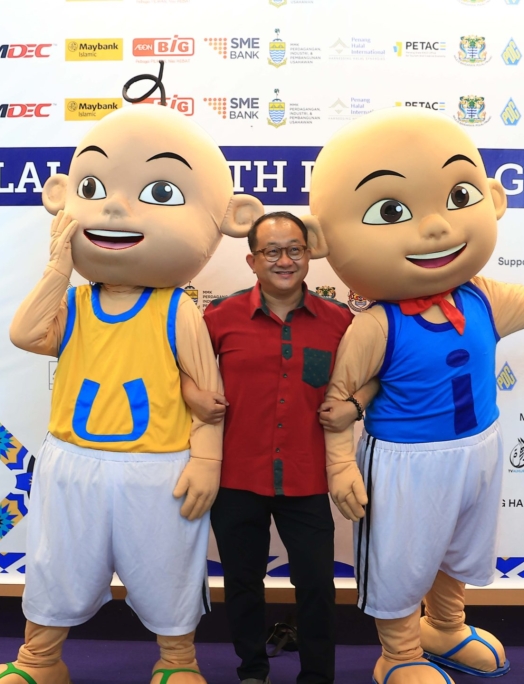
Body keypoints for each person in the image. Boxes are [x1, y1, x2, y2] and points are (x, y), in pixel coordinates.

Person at [304, 107, 524, 684]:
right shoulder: (374, 326)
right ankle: (399, 653)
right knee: (400, 559)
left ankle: (445, 626)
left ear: (492, 199)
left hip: (479, 448)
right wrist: (341, 466)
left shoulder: (483, 298)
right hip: (405, 461)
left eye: (458, 196)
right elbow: (338, 405)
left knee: (459, 546)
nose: (436, 228)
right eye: (391, 211)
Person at [0, 104, 264, 684]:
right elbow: (25, 334)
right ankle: (39, 660)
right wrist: (58, 266)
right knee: (58, 563)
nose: (112, 208)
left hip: (157, 467)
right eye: (93, 189)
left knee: (167, 567)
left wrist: (206, 461)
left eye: (158, 193)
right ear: (62, 198)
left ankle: (177, 662)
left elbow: (209, 397)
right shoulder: (74, 302)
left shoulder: (177, 308)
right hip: (73, 462)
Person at [184, 211, 377, 684]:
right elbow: (181, 368)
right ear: (252, 260)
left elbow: (374, 373)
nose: (284, 260)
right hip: (236, 476)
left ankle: (317, 675)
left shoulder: (340, 321)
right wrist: (194, 395)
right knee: (242, 582)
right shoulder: (219, 317)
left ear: (309, 256)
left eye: (294, 250)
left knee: (316, 584)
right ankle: (253, 670)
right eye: (272, 251)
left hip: (306, 475)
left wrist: (355, 404)